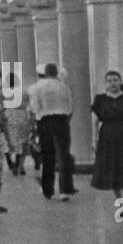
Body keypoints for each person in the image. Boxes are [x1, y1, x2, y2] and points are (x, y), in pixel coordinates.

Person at [27, 62, 77, 201]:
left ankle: (48, 190)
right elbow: (70, 107)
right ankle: (65, 190)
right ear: (56, 73)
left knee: (47, 156)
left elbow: (34, 107)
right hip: (61, 121)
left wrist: (36, 124)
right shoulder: (64, 87)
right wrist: (65, 121)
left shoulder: (36, 87)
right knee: (64, 155)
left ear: (45, 72)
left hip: (45, 122)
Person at [91, 70, 123, 199]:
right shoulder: (100, 99)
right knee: (113, 168)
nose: (113, 83)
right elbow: (95, 121)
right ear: (105, 84)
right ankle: (120, 200)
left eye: (115, 80)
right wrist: (94, 140)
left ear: (120, 81)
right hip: (107, 136)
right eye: (109, 81)